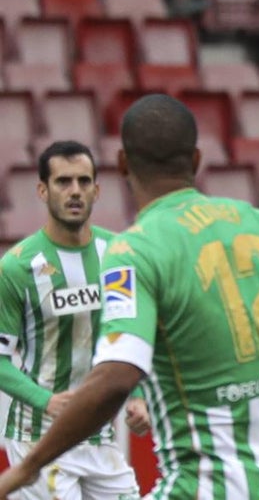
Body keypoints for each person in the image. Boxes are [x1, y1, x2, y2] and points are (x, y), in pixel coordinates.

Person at [0, 94, 259, 499]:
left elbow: (115, 377)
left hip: (197, 484)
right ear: (197, 160)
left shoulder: (131, 251)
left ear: (122, 166)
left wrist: (25, 468)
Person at [0, 141, 146, 500]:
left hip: (99, 433)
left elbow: (129, 337)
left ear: (97, 190)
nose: (75, 191)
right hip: (38, 435)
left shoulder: (117, 256)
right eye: (63, 182)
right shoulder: (17, 267)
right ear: (42, 190)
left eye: (83, 181)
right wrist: (45, 400)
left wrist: (138, 396)